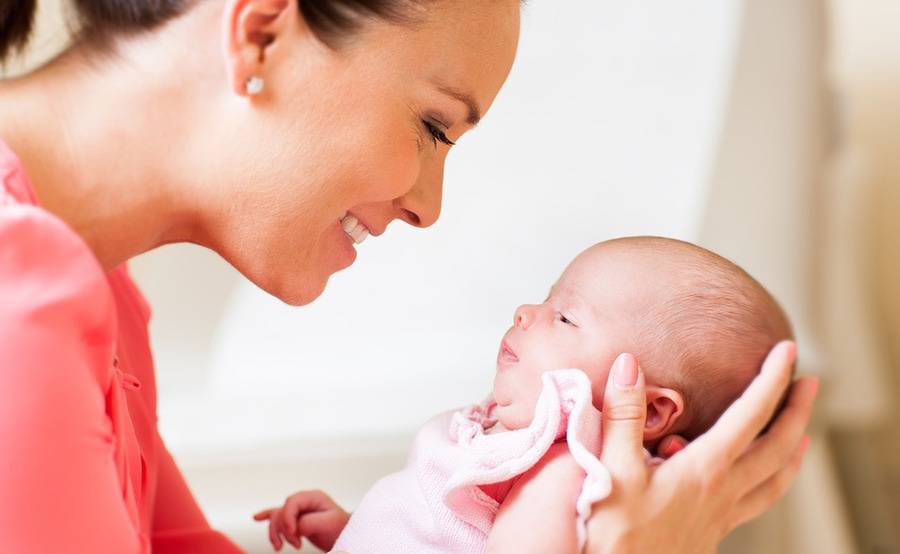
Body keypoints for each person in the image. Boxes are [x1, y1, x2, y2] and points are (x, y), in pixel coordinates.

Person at [0, 1, 817, 553]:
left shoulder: (91, 295)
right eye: (433, 127)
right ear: (261, 32)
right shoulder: (20, 310)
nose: (430, 206)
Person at [254, 236, 798, 553]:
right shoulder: (514, 451)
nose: (525, 312)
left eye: (564, 316)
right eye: (546, 298)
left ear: (650, 409)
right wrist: (356, 529)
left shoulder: (557, 473)